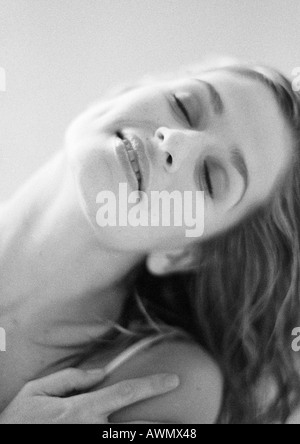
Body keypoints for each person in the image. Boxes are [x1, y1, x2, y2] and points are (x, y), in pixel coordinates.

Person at [0, 61, 299, 423]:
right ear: (130, 88)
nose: (176, 142)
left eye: (209, 177)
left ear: (184, 252)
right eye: (185, 106)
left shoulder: (166, 381)